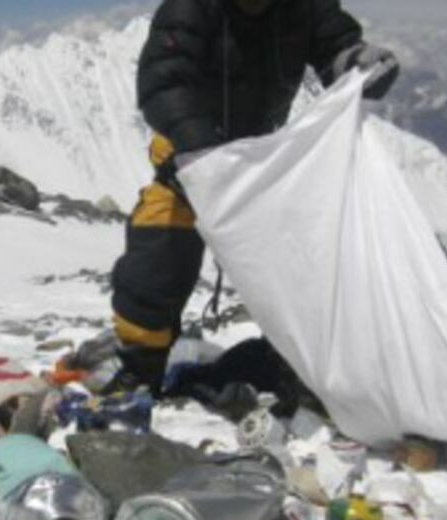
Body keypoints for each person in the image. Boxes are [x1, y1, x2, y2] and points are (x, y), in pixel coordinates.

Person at [105, 0, 400, 393]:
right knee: (160, 252)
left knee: (305, 258)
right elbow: (163, 81)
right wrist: (199, 148)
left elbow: (334, 44)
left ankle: (296, 362)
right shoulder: (190, 7)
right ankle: (140, 366)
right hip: (188, 162)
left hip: (263, 164)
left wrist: (354, 62)